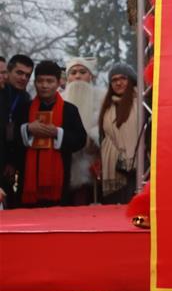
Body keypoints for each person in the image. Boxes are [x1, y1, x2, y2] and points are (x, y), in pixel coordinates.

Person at [14, 60, 86, 207]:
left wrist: (57, 133)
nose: (44, 85)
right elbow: (11, 138)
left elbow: (80, 140)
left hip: (59, 181)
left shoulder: (69, 110)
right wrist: (27, 129)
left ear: (59, 82)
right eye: (40, 81)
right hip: (28, 180)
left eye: (49, 81)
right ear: (34, 83)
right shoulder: (24, 108)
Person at [62, 57, 104, 205]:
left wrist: (96, 136)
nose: (77, 76)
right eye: (73, 73)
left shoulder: (102, 98)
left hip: (94, 162)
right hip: (66, 164)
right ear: (68, 78)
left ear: (90, 76)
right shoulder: (60, 99)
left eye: (82, 72)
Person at [99, 64, 140, 204]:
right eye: (114, 80)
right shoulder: (107, 107)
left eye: (123, 78)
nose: (118, 83)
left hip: (140, 167)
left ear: (132, 80)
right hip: (114, 167)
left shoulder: (143, 103)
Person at [0, 54, 34, 208]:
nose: (23, 78)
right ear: (8, 72)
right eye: (19, 73)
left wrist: (12, 162)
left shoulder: (26, 99)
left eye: (27, 75)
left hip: (12, 162)